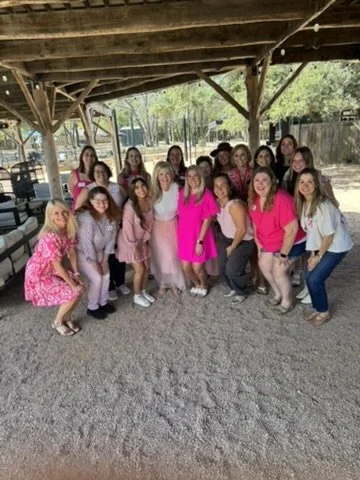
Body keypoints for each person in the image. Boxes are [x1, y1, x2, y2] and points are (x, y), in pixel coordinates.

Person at [295, 168, 353, 326]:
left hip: (336, 246)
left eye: (310, 181)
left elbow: (328, 235)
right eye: (302, 181)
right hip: (323, 245)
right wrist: (313, 255)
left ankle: (323, 311)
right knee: (308, 275)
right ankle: (316, 307)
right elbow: (313, 232)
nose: (305, 185)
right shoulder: (306, 203)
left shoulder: (323, 206)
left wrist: (317, 256)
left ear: (316, 185)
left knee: (315, 279)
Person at [248, 167, 306, 314]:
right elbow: (255, 220)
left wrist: (284, 254)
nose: (260, 184)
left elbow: (292, 229)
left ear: (272, 182)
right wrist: (257, 240)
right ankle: (278, 293)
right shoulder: (254, 199)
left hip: (292, 241)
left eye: (264, 180)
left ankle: (288, 300)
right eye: (257, 180)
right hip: (270, 241)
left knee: (279, 271)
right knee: (263, 265)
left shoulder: (281, 199)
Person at [24, 200, 84, 336]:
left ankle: (66, 318)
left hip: (53, 269)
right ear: (49, 216)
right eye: (56, 213)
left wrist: (76, 273)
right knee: (73, 291)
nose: (61, 215)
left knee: (80, 287)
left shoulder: (67, 230)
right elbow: (57, 264)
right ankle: (57, 322)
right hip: (39, 274)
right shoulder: (51, 236)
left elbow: (72, 253)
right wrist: (72, 284)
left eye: (64, 211)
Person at [75, 161, 131, 300]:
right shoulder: (88, 190)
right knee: (107, 260)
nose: (101, 174)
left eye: (103, 170)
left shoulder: (117, 187)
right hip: (96, 231)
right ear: (92, 175)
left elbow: (128, 201)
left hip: (114, 225)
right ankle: (110, 287)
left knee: (118, 256)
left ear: (108, 172)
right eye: (97, 171)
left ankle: (120, 282)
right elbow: (78, 208)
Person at [76, 187, 118, 319]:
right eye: (97, 201)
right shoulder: (87, 218)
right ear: (91, 201)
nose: (102, 204)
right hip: (83, 252)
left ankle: (103, 302)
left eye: (105, 200)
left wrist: (105, 261)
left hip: (99, 250)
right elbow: (86, 243)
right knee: (97, 277)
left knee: (106, 276)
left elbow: (112, 239)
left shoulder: (111, 215)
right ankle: (92, 307)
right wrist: (95, 265)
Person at [177, 165, 219, 297]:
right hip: (184, 236)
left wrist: (199, 241)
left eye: (196, 176)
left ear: (201, 178)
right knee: (185, 268)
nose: (192, 179)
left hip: (199, 236)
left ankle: (203, 284)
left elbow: (207, 220)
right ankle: (196, 284)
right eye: (189, 176)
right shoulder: (182, 193)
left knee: (197, 267)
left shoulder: (206, 194)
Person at [213, 174, 255, 304]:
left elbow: (241, 230)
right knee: (221, 265)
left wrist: (233, 246)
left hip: (244, 240)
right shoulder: (218, 202)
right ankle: (233, 287)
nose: (220, 189)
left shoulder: (235, 205)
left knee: (232, 268)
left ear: (230, 187)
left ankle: (242, 291)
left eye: (223, 185)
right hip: (227, 238)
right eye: (216, 186)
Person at [117, 177, 155, 308]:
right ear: (132, 190)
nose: (141, 189)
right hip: (129, 241)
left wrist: (145, 240)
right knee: (140, 269)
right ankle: (137, 295)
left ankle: (143, 291)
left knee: (147, 267)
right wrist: (134, 247)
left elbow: (150, 223)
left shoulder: (150, 201)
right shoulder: (130, 205)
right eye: (136, 187)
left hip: (142, 239)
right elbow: (127, 227)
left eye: (143, 186)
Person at [150, 161, 185, 295]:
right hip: (158, 228)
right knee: (161, 256)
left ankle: (175, 282)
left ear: (172, 174)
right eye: (161, 174)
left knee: (173, 256)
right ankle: (163, 282)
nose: (164, 177)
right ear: (156, 176)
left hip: (174, 225)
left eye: (167, 174)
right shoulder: (153, 191)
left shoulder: (177, 188)